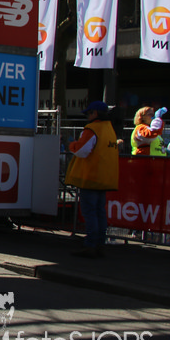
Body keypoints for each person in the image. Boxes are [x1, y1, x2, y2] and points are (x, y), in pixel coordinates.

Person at [65, 100, 120, 258]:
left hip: (91, 177)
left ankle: (90, 245)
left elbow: (82, 151)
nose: (88, 117)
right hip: (105, 177)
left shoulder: (92, 129)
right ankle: (100, 244)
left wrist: (72, 145)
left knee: (90, 213)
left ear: (94, 113)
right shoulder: (110, 129)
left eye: (89, 113)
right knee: (100, 212)